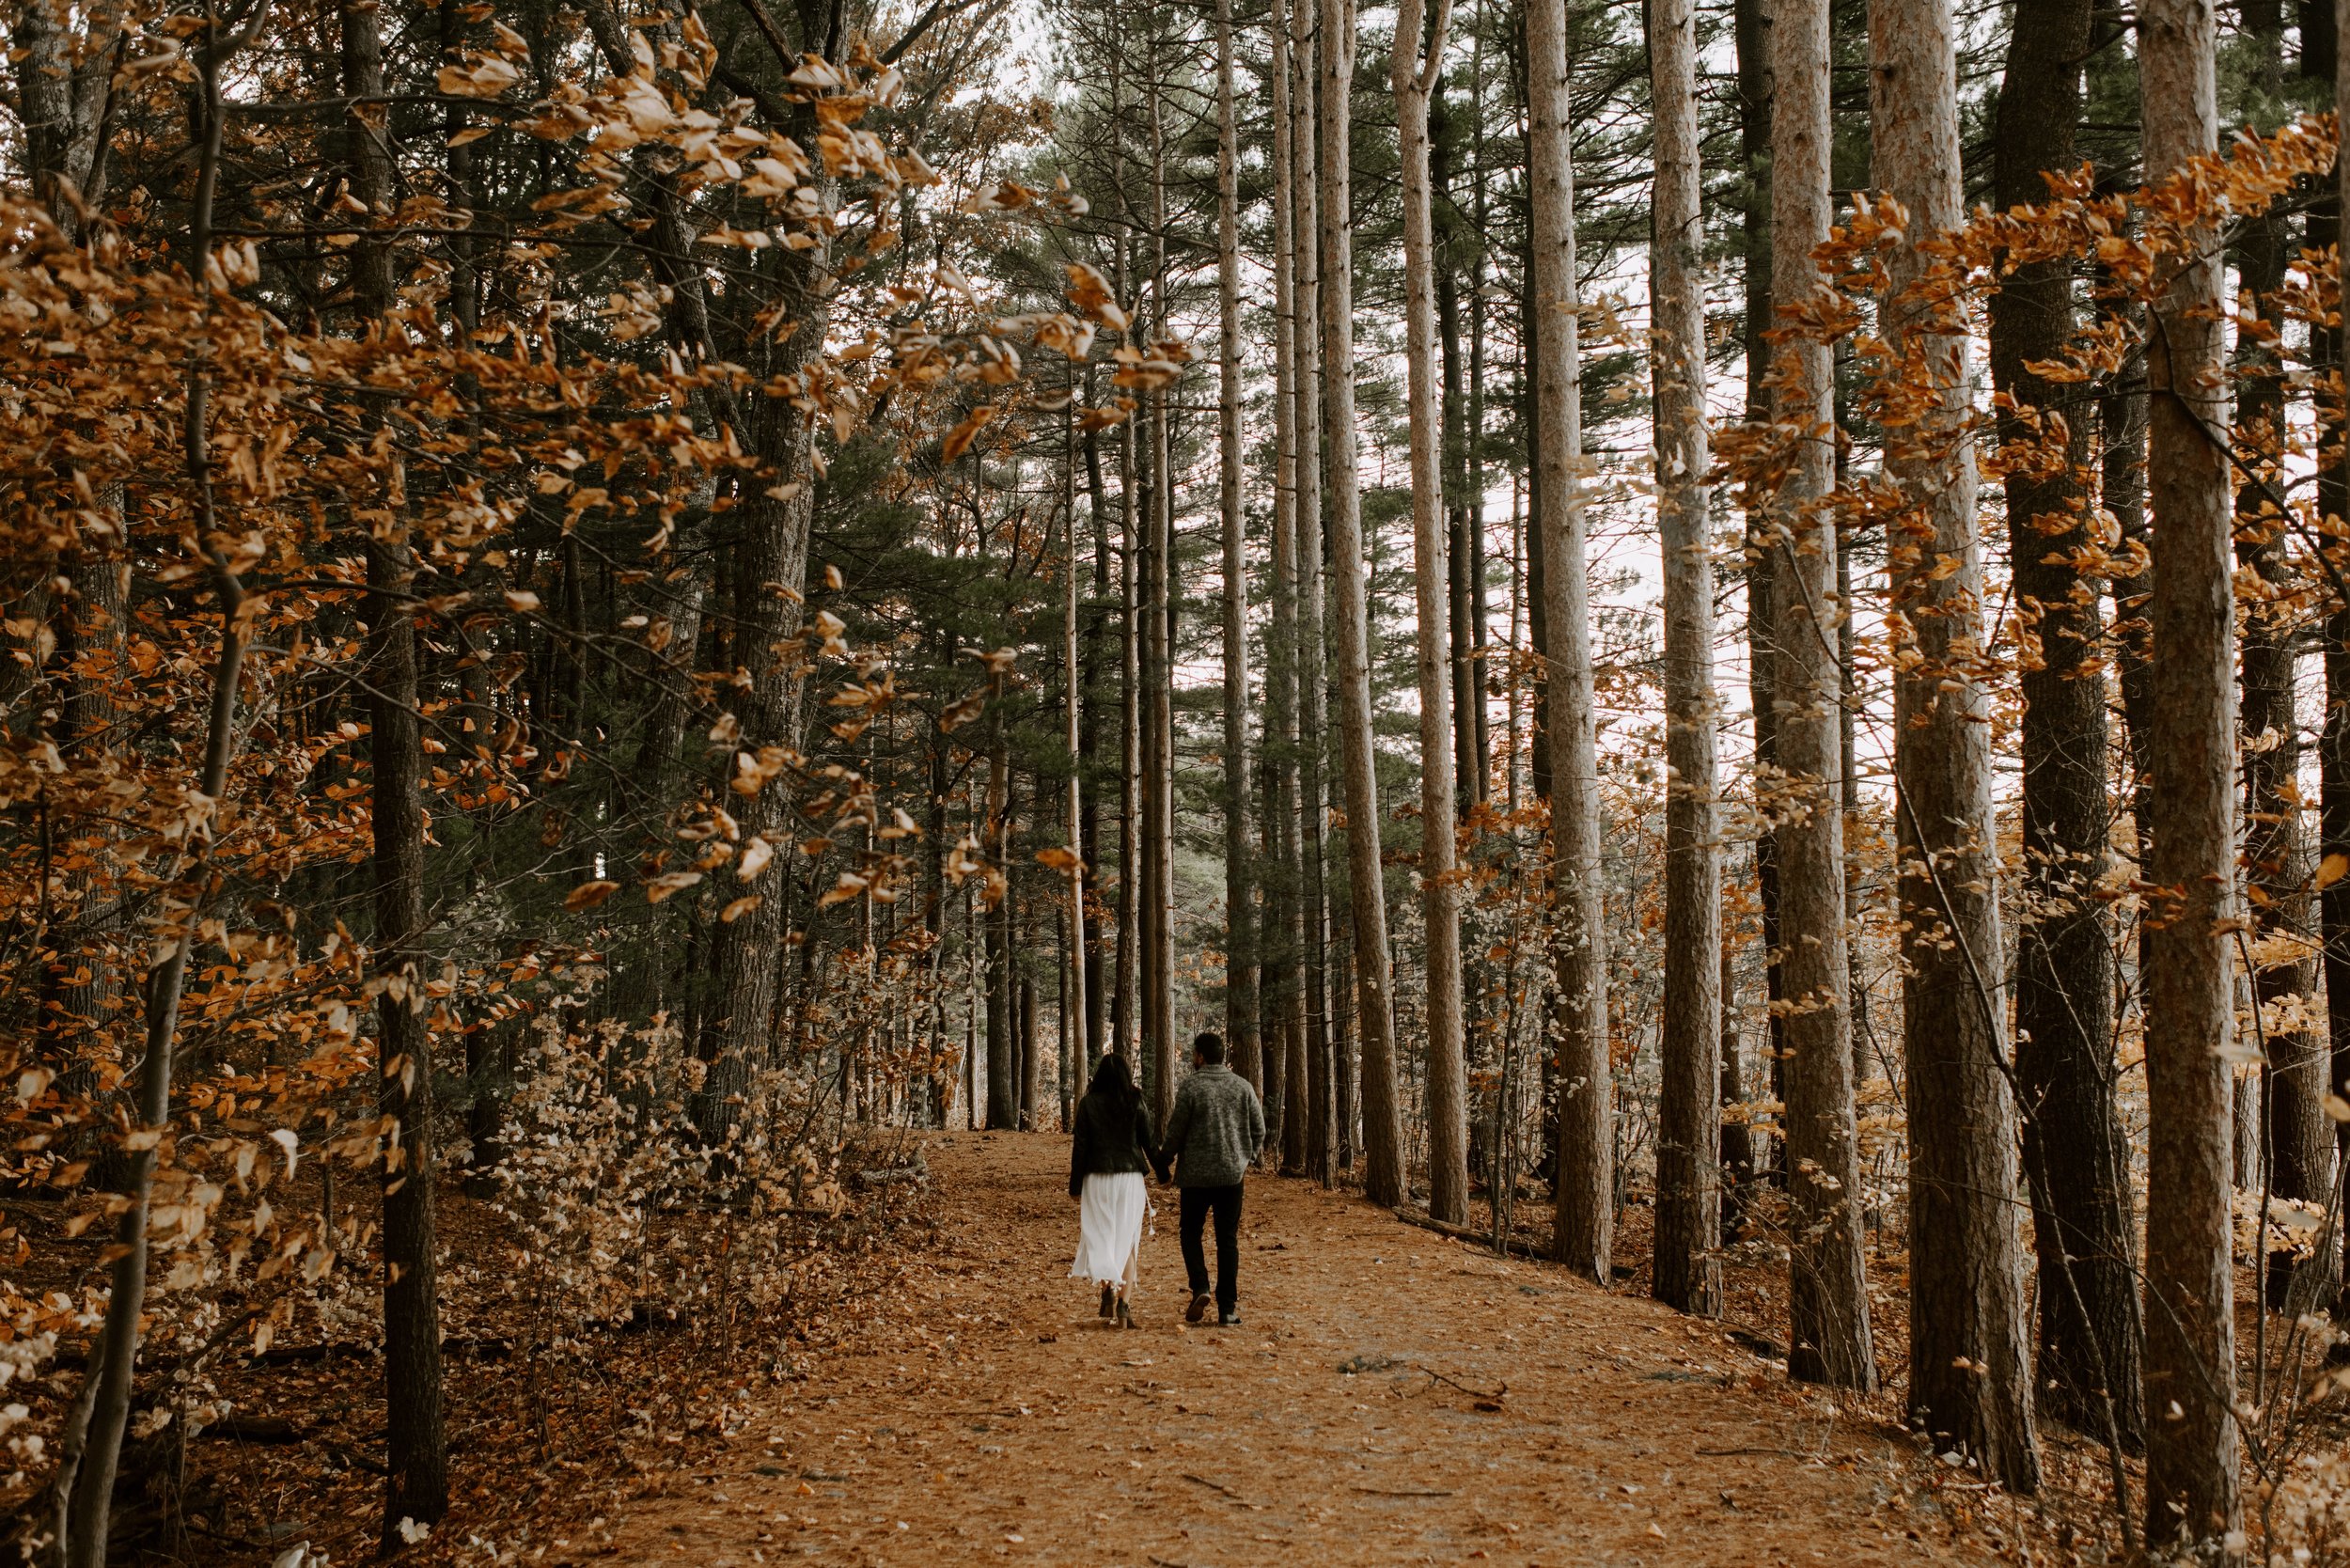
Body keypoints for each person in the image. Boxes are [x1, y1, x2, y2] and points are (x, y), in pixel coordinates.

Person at [1154, 1031, 1265, 1327]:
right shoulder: (1242, 1087)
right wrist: (1248, 1157)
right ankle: (1227, 1310)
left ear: (1201, 1056)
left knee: (1190, 1233)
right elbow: (1259, 1129)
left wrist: (1163, 1161)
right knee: (1227, 1240)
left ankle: (1200, 1287)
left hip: (1195, 1178)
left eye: (1194, 1054)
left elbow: (1176, 1132)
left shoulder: (1191, 1087)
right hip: (1231, 1175)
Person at [1068, 1051, 1155, 1328]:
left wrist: (1075, 1185)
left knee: (1101, 1237)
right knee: (1127, 1240)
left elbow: (1080, 1146)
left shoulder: (1087, 1104)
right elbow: (1148, 1142)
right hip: (1129, 1179)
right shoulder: (1135, 1101)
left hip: (1097, 1177)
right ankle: (1124, 1307)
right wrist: (1164, 1172)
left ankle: (1108, 1289)